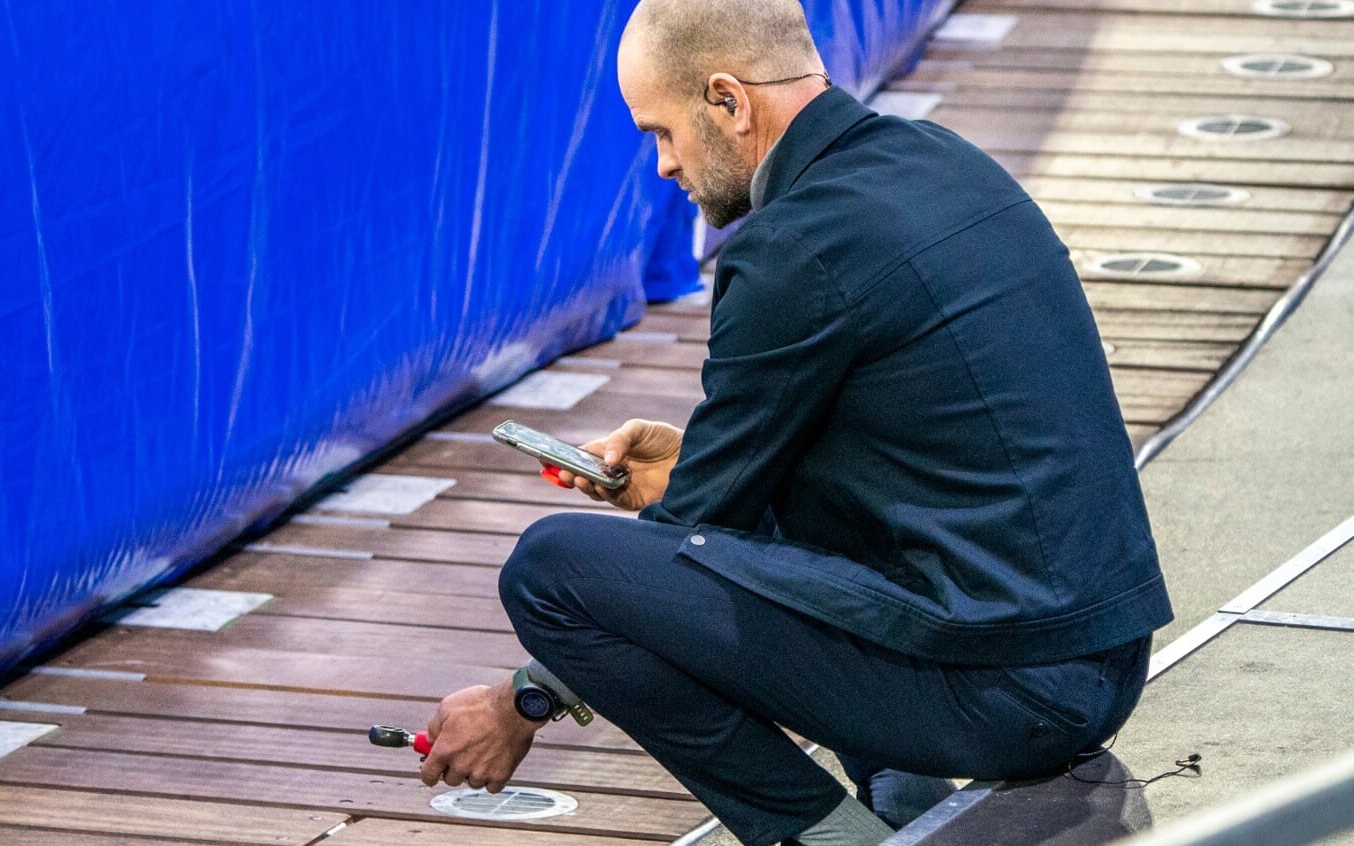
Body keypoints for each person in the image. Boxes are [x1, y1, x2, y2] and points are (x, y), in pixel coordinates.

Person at [416, 1, 1174, 843]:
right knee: (794, 510)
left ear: (728, 101)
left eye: (661, 132)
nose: (663, 167)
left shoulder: (790, 248)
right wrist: (702, 466)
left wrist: (522, 700)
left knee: (551, 570)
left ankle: (822, 837)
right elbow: (865, 454)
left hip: (1008, 697)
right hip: (1101, 660)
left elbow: (694, 530)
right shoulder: (945, 161)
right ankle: (901, 793)